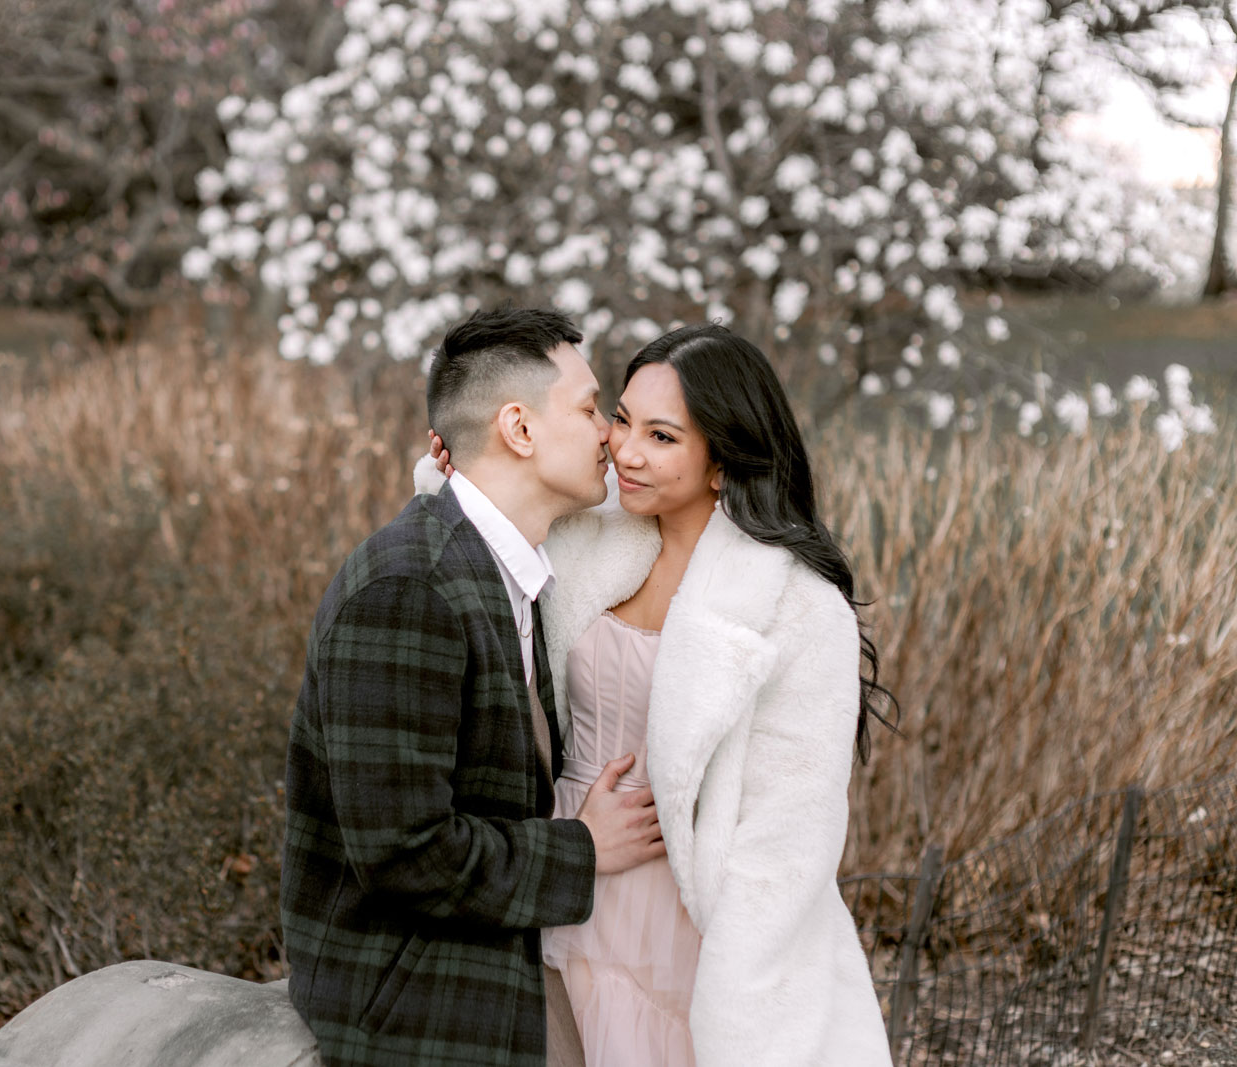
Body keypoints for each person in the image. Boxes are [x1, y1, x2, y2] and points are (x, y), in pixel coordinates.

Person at [420, 323, 895, 1066]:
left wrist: (745, 1000)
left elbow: (787, 838)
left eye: (663, 435)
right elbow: (486, 529)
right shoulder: (590, 535)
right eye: (621, 419)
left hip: (685, 925)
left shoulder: (795, 607)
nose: (626, 450)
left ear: (722, 462)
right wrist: (460, 462)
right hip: (565, 884)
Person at [282, 307, 667, 1067]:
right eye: (591, 408)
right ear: (519, 430)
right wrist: (583, 849)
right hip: (410, 982)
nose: (609, 435)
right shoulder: (410, 586)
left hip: (494, 936)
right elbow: (404, 853)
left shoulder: (509, 569)